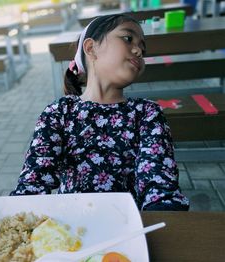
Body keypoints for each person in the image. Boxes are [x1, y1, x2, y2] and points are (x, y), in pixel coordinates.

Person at [10, 14, 189, 211]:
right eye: (128, 38)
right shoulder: (59, 112)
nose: (138, 50)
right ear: (91, 48)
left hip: (129, 227)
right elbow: (33, 181)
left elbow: (159, 183)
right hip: (70, 229)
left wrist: (165, 216)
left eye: (143, 48)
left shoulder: (147, 113)